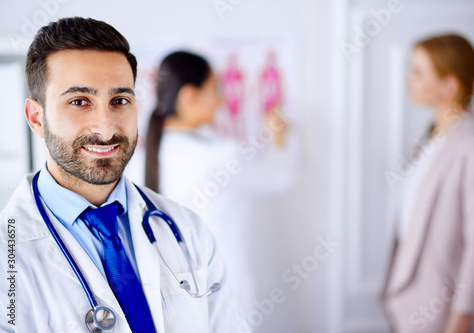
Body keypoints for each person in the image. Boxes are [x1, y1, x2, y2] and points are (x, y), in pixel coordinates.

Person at [0, 17, 237, 333]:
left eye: (120, 100)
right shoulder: (8, 262)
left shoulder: (189, 231)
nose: (106, 127)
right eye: (79, 101)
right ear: (36, 117)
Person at [145, 51, 296, 323]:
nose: (221, 99)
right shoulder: (220, 157)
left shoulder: (143, 157)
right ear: (189, 95)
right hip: (225, 294)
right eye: (215, 89)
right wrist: (279, 137)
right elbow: (281, 177)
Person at [380, 34, 474, 333]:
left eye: (418, 72)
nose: (409, 79)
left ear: (450, 85)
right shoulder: (433, 137)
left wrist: (461, 319)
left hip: (445, 314)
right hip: (413, 303)